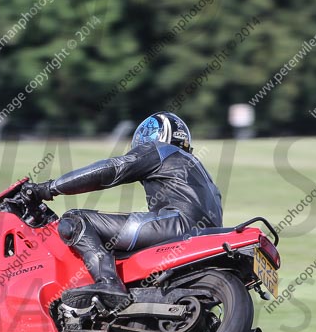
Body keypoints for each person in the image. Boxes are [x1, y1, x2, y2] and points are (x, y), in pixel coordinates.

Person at [26, 112, 223, 309]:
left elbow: (111, 170)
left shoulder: (160, 150)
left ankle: (109, 283)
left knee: (76, 220)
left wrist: (48, 188)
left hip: (176, 226)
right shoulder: (201, 173)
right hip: (204, 238)